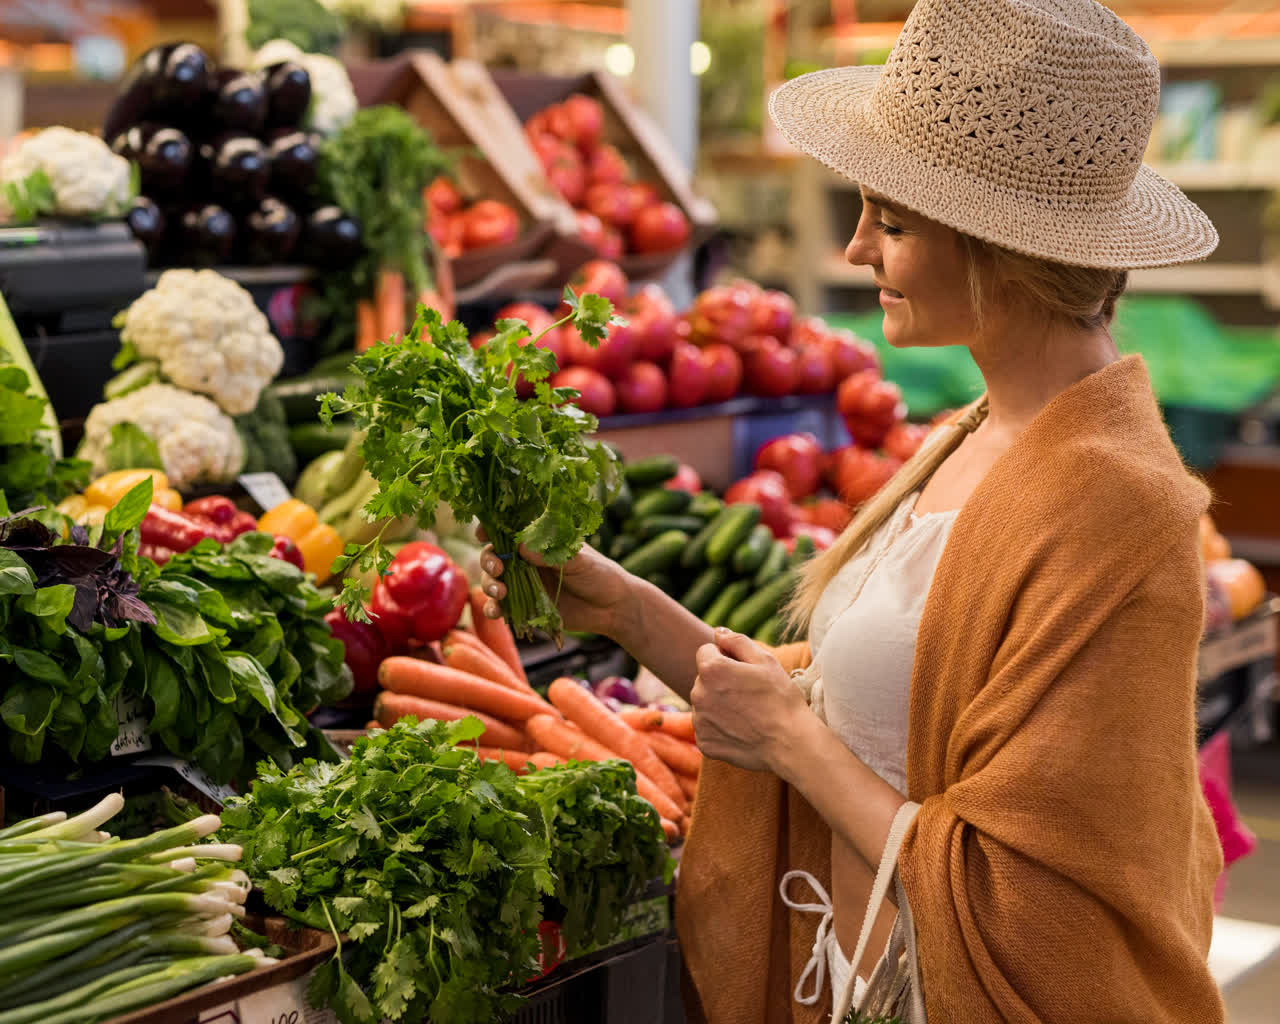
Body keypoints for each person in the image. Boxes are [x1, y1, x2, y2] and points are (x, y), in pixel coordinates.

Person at [481, 0, 1226, 1020]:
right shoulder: (977, 430)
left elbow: (1036, 900)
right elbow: (867, 704)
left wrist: (788, 741)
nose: (856, 250)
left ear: (996, 246)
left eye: (894, 219)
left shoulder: (1114, 506)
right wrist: (625, 611)